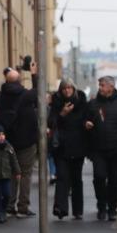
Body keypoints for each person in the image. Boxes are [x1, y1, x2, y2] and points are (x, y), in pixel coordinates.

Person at [0, 63, 39, 218]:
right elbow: (37, 92)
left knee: (11, 172)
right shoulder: (26, 95)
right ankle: (23, 206)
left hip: (9, 140)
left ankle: (9, 205)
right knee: (25, 173)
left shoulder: (0, 96)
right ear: (19, 81)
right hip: (27, 140)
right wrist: (34, 75)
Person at [85, 76, 117, 221]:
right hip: (98, 149)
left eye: (103, 85)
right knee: (99, 177)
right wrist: (86, 124)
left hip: (116, 149)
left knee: (114, 181)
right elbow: (86, 121)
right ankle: (101, 204)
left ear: (111, 87)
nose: (100, 87)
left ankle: (112, 208)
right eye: (99, 85)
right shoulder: (93, 103)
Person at [48, 79, 89, 220]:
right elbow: (51, 122)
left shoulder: (81, 101)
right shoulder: (56, 103)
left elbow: (86, 119)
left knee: (77, 179)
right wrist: (62, 114)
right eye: (64, 88)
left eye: (70, 88)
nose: (67, 91)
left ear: (74, 89)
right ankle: (61, 208)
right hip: (61, 146)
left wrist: (87, 124)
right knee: (62, 178)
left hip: (78, 145)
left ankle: (78, 210)